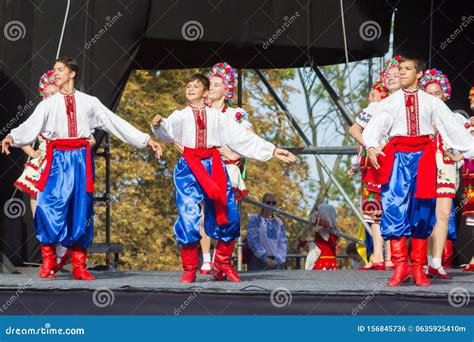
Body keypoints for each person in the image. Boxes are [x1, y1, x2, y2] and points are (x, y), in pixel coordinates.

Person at [1, 57, 162, 280]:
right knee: (47, 207)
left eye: (60, 70)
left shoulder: (89, 102)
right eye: (54, 70)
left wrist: (146, 140)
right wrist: (12, 136)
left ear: (72, 73)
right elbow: (30, 126)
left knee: (81, 210)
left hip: (80, 159)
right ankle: (48, 260)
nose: (55, 73)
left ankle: (79, 266)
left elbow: (114, 122)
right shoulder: (48, 104)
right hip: (56, 159)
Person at [151, 73, 296, 283]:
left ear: (206, 92)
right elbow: (167, 132)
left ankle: (222, 263)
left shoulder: (219, 117)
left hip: (214, 164)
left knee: (228, 213)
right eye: (188, 86)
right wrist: (158, 125)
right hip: (189, 166)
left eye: (196, 86)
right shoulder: (180, 115)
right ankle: (190, 268)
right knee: (189, 215)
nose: (190, 89)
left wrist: (273, 150)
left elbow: (242, 138)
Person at [362, 55, 473, 286]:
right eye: (400, 69)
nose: (401, 72)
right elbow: (374, 127)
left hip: (424, 157)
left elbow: (451, 126)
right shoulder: (389, 102)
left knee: (423, 210)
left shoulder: (432, 102)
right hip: (397, 157)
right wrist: (371, 146)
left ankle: (418, 268)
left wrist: (470, 149)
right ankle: (401, 267)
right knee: (394, 207)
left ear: (419, 73)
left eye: (407, 69)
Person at [196, 62, 254, 275]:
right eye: (209, 84)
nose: (211, 87)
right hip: (206, 167)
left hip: (227, 169)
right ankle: (206, 259)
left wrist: (234, 154)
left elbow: (248, 139)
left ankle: (222, 259)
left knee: (227, 217)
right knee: (204, 215)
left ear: (226, 89)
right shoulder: (200, 112)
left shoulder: (236, 114)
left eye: (216, 84)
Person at [348, 56, 401, 271]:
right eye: (387, 76)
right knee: (376, 209)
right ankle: (380, 256)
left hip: (402, 161)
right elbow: (354, 129)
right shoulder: (377, 106)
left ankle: (398, 257)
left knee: (396, 208)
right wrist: (371, 145)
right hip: (378, 164)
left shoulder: (411, 102)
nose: (390, 79)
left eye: (396, 75)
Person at [418, 68, 461, 279]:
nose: (434, 97)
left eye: (438, 93)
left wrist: (458, 157)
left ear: (444, 94)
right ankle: (425, 263)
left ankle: (436, 263)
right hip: (424, 170)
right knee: (426, 218)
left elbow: (466, 142)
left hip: (445, 170)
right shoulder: (418, 119)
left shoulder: (453, 118)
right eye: (430, 93)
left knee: (443, 216)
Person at [246, 193, 288, 271]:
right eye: (268, 203)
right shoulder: (255, 220)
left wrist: (278, 259)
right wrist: (264, 257)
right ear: (263, 204)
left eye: (274, 203)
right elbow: (253, 240)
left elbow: (283, 242)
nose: (271, 205)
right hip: (258, 262)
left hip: (275, 263)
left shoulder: (279, 222)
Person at [308, 203, 339, 270]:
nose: (316, 214)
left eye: (318, 212)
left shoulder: (323, 229)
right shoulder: (335, 229)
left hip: (322, 262)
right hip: (332, 262)